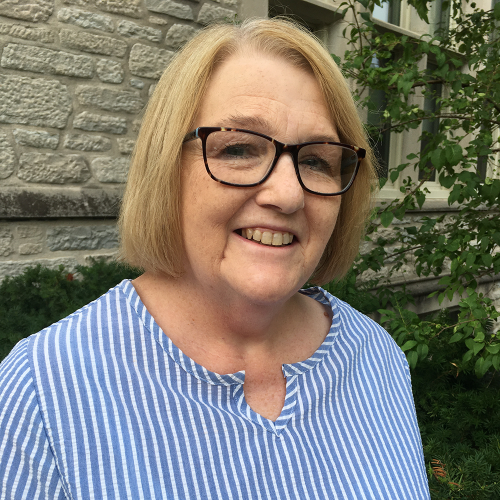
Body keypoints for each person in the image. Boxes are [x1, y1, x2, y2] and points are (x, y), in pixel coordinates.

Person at [0, 18, 430, 499]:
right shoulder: (44, 391)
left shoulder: (376, 358)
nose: (288, 194)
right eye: (239, 148)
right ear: (166, 167)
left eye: (316, 161)